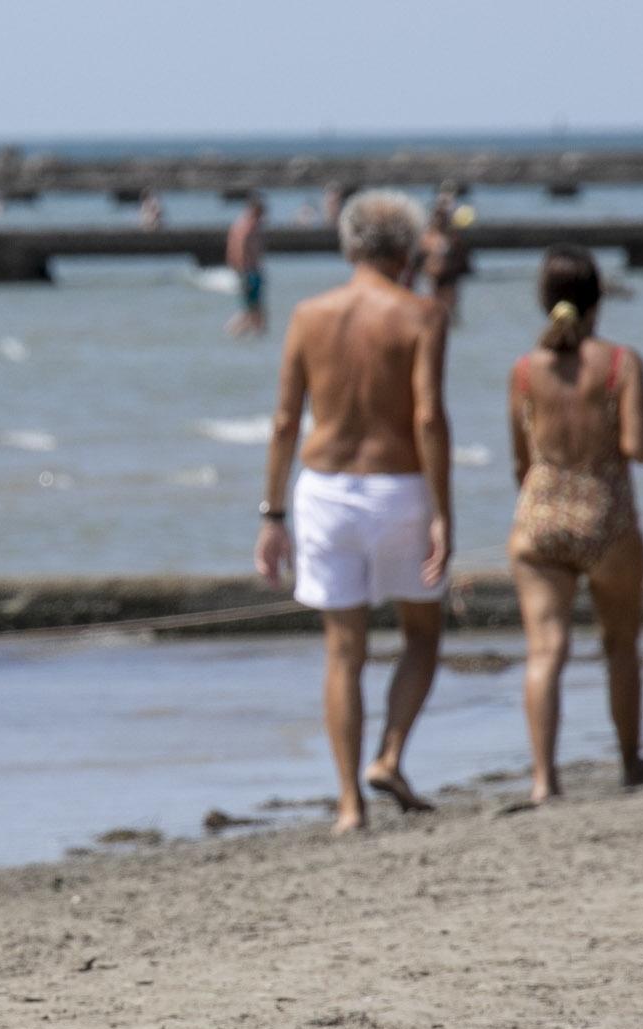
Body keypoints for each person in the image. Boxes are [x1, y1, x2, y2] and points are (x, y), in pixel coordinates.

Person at [253, 192, 452, 833]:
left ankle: (347, 804)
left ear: (349, 246)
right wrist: (444, 511)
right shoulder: (422, 315)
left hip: (326, 491)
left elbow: (285, 422)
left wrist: (272, 514)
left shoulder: (310, 315)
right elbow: (427, 417)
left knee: (343, 653)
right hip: (398, 486)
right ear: (407, 251)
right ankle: (388, 756)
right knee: (421, 633)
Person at [506, 246, 643, 806]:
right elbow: (637, 447)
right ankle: (630, 762)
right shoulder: (621, 364)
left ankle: (544, 780)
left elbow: (522, 463)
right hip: (606, 517)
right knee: (620, 644)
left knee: (545, 651)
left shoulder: (525, 370)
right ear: (599, 298)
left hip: (540, 519)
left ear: (544, 301)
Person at [413, 184, 473, 319]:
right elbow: (415, 262)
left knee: (449, 312)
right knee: (431, 312)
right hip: (430, 278)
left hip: (448, 278)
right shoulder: (426, 238)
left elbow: (463, 261)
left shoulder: (453, 237)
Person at [225, 194, 268, 338]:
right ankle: (232, 332)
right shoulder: (246, 227)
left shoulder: (245, 225)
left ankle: (256, 337)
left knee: (255, 309)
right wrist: (242, 270)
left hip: (249, 270)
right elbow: (238, 249)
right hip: (249, 271)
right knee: (251, 309)